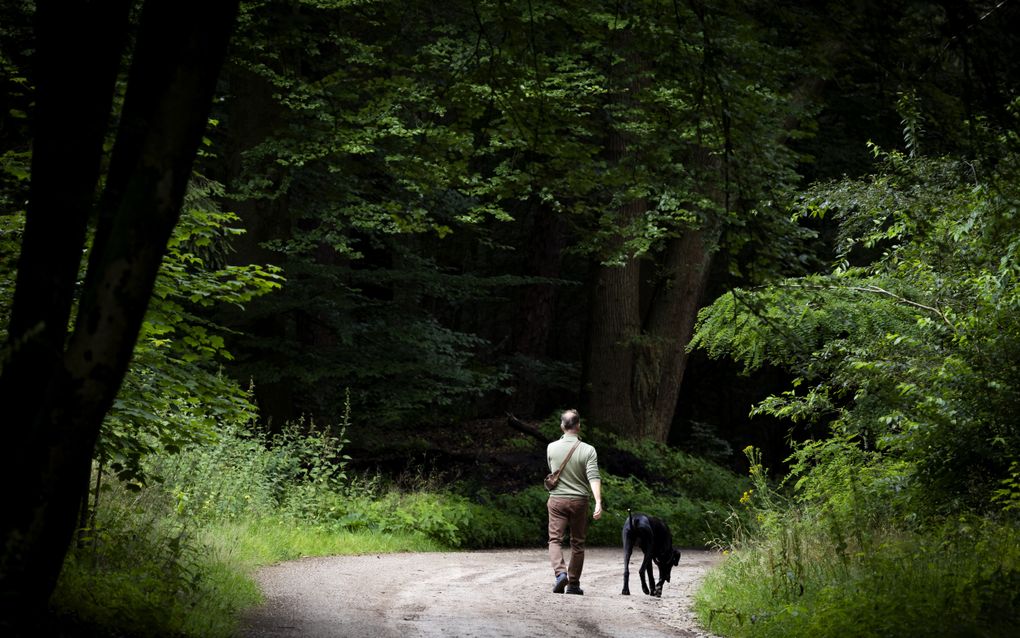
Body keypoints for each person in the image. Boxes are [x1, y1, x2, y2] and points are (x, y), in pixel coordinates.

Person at [546, 408, 602, 595]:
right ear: (578, 426)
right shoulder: (588, 450)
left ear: (562, 426)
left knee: (555, 539)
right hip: (580, 501)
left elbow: (553, 471)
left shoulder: (551, 448)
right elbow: (593, 477)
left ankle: (560, 573)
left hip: (557, 500)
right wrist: (598, 502)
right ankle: (574, 584)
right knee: (577, 542)